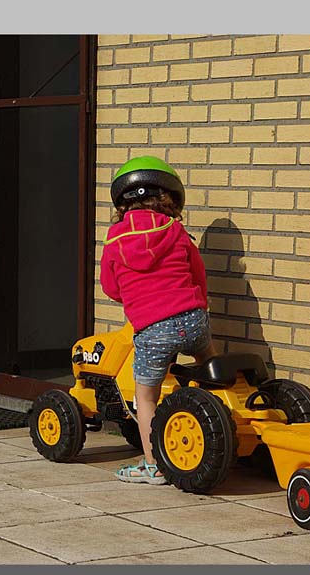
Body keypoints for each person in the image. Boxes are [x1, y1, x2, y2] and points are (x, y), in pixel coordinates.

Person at [101, 155, 217, 484]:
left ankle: (154, 465)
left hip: (153, 331)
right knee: (209, 367)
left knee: (146, 397)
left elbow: (111, 287)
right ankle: (220, 412)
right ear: (169, 199)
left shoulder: (114, 240)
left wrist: (136, 297)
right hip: (193, 320)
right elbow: (199, 277)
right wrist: (197, 308)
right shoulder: (177, 231)